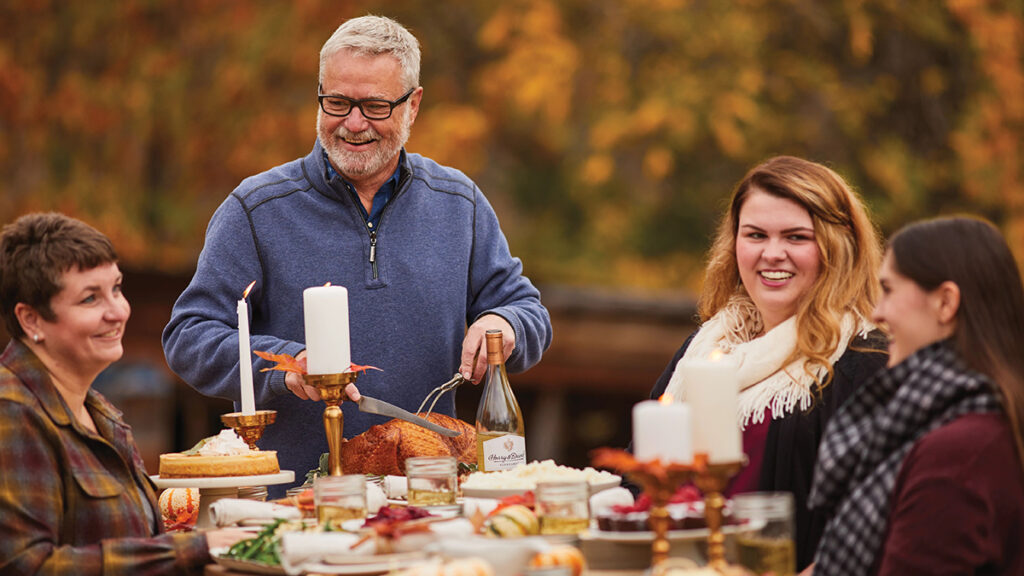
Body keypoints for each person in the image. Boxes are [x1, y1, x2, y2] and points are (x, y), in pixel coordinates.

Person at [162, 15, 552, 494]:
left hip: (432, 500)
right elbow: (188, 336)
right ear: (319, 96)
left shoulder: (459, 202)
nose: (353, 123)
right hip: (295, 501)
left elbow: (528, 312)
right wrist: (288, 365)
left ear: (414, 105)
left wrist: (503, 325)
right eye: (338, 103)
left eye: (374, 106)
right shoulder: (256, 208)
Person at [649, 156, 888, 570]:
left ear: (838, 243)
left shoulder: (863, 362)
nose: (772, 254)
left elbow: (876, 520)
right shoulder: (705, 350)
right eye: (755, 235)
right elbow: (642, 471)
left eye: (796, 237)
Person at [0, 213, 241, 574]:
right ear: (31, 320)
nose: (117, 311)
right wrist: (195, 548)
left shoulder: (98, 411)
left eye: (116, 288)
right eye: (89, 299)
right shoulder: (13, 412)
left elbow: (132, 539)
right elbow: (26, 565)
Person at [808, 216, 1024, 575]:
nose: (877, 312)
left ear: (945, 302)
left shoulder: (960, 452)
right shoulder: (972, 418)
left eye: (889, 290)